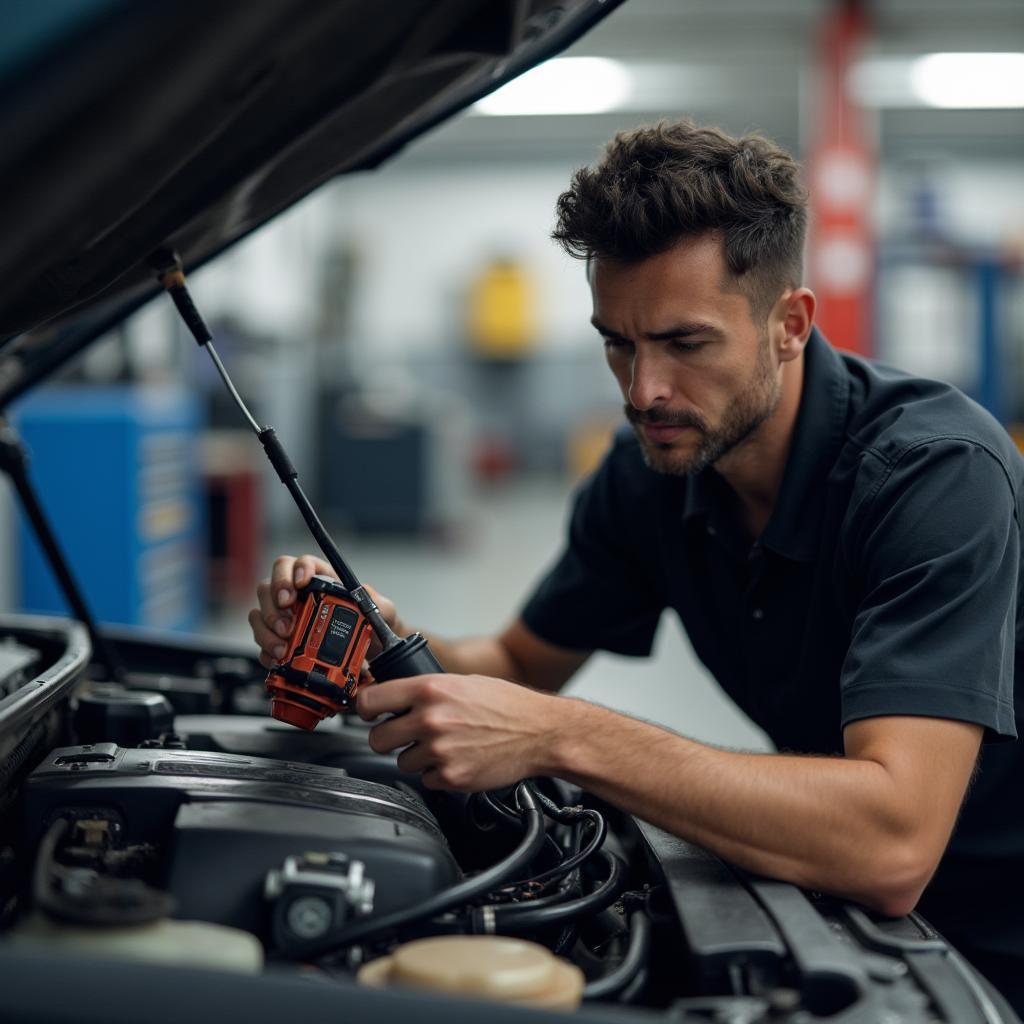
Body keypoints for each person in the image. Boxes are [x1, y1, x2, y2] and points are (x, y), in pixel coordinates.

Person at [250, 121, 1024, 1009]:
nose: (641, 389)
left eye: (684, 344)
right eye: (617, 341)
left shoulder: (934, 478)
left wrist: (561, 734)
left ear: (790, 325)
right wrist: (379, 645)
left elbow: (893, 843)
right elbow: (514, 666)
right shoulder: (657, 469)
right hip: (839, 899)